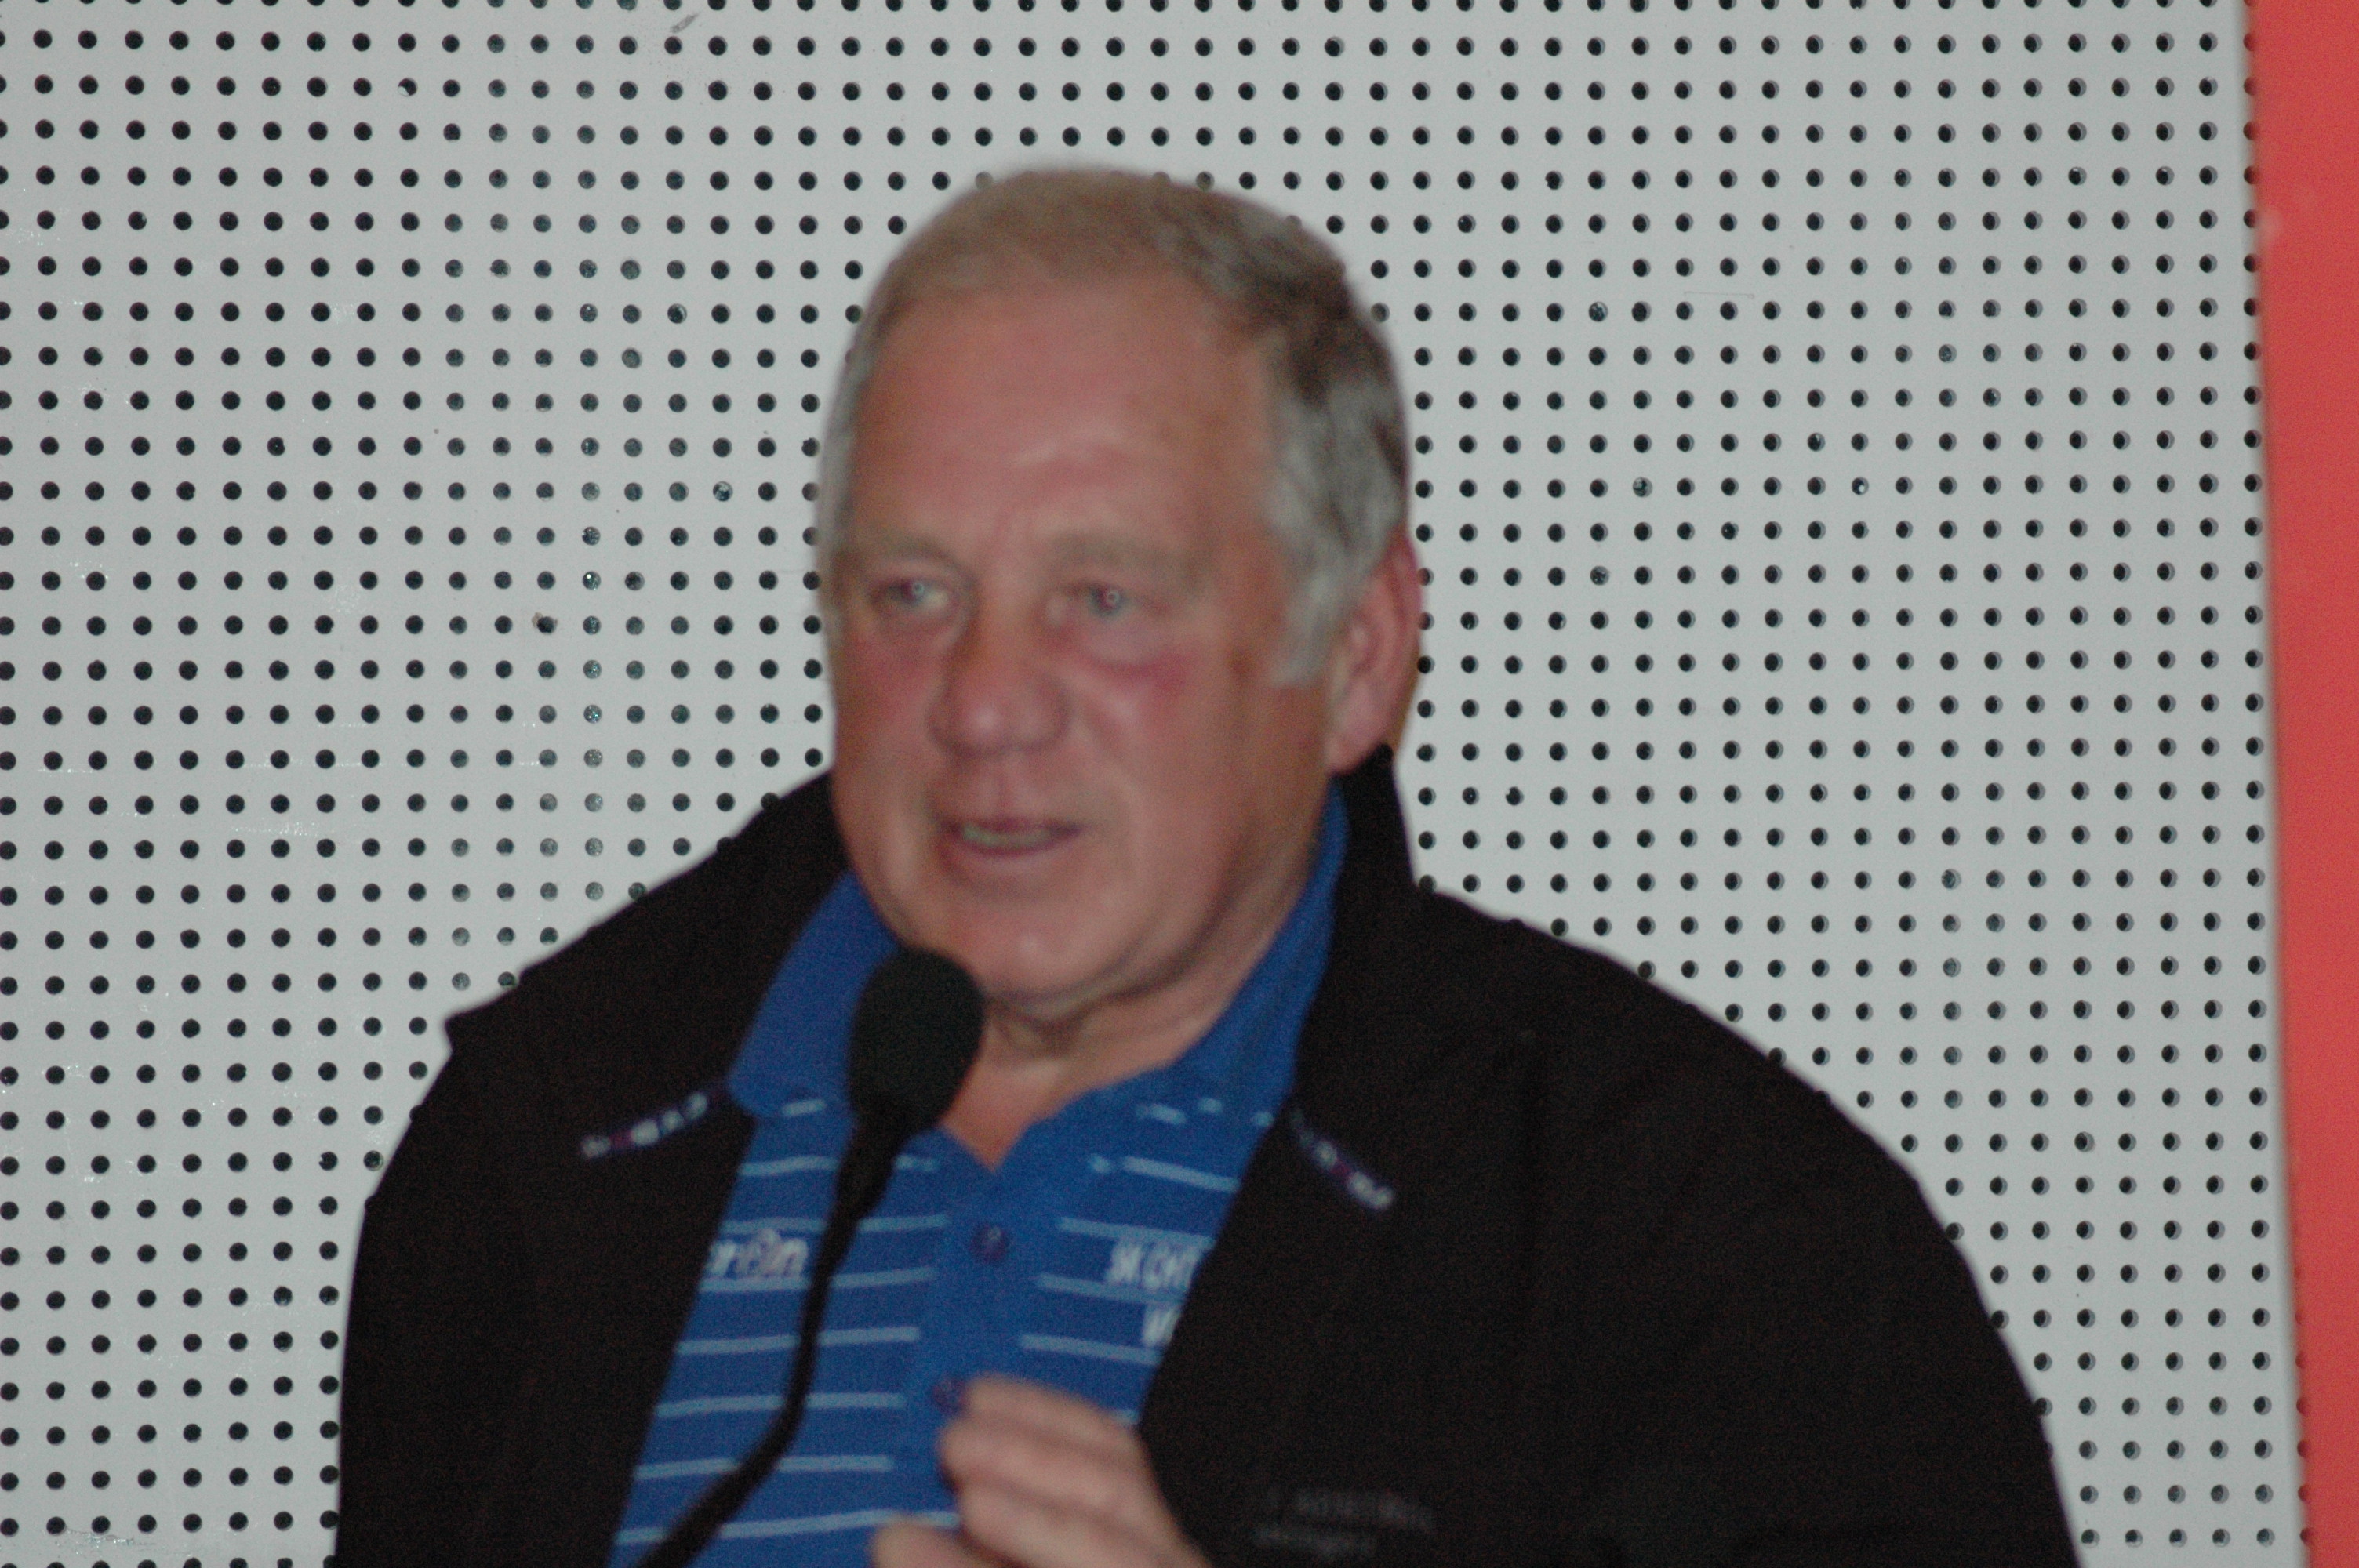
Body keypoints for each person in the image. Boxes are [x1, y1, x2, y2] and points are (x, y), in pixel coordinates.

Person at [336, 168, 2074, 1568]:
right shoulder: (540, 1153)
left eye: (1104, 599)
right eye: (913, 592)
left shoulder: (1697, 1233)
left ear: (1358, 656)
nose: (985, 703)